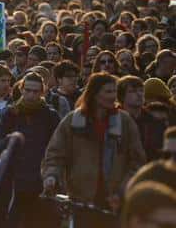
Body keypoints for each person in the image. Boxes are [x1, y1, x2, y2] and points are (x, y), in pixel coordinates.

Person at [42, 73, 146, 227]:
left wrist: (123, 190)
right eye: (108, 92)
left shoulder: (125, 122)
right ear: (95, 94)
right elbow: (55, 154)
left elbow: (137, 161)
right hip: (80, 203)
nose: (113, 96)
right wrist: (51, 176)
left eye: (114, 91)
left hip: (114, 203)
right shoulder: (73, 121)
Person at [0, 72, 60, 228]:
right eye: (28, 90)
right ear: (22, 89)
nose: (31, 95)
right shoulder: (10, 113)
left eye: (35, 91)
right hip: (14, 180)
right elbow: (0, 143)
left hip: (40, 179)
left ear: (42, 92)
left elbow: (56, 148)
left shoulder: (50, 115)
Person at [117, 75, 166, 161]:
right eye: (132, 91)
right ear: (121, 96)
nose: (139, 94)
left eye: (141, 90)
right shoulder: (113, 120)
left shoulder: (154, 122)